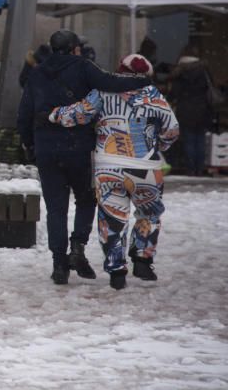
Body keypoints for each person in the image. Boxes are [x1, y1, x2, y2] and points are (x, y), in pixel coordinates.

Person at [17, 29, 151, 285]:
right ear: (75, 49)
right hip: (78, 146)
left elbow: (24, 113)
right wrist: (142, 81)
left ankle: (59, 264)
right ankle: (77, 247)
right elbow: (111, 83)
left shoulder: (37, 74)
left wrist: (29, 144)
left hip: (46, 147)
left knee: (55, 207)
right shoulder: (83, 67)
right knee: (86, 198)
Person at [48, 54, 179, 290]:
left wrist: (53, 114)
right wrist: (157, 146)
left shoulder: (103, 92)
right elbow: (172, 130)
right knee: (149, 213)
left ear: (118, 71)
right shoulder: (154, 96)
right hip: (147, 168)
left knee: (112, 217)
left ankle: (117, 270)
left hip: (110, 167)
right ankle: (143, 261)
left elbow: (78, 114)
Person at [168, 46, 215, 176]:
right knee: (200, 140)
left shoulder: (180, 72)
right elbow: (210, 89)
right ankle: (199, 168)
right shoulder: (204, 71)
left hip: (185, 110)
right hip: (202, 109)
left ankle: (190, 169)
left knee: (188, 140)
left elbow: (174, 93)